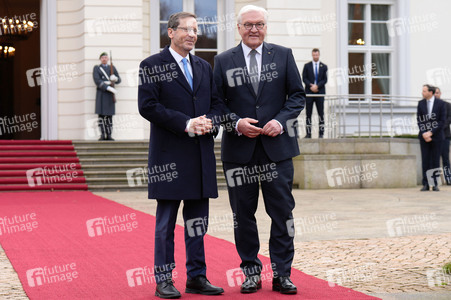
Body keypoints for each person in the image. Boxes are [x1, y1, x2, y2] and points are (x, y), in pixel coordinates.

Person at [213, 5, 305, 295]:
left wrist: (281, 121)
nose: (255, 29)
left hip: (277, 149)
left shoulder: (283, 54)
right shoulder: (223, 60)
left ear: (266, 27)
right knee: (243, 215)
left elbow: (298, 96)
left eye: (260, 24)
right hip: (239, 152)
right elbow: (216, 103)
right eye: (249, 24)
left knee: (282, 214)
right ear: (238, 28)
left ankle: (282, 275)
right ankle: (250, 272)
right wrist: (236, 122)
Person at [138, 11, 224, 299]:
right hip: (169, 159)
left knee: (197, 223)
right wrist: (187, 123)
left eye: (195, 30)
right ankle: (164, 280)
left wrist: (211, 122)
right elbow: (148, 106)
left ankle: (197, 277)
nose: (192, 34)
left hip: (200, 155)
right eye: (186, 29)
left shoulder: (203, 66)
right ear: (170, 33)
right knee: (166, 224)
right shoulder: (151, 65)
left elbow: (215, 104)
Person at [417, 84, 447, 191]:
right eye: (422, 91)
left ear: (431, 92)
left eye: (424, 91)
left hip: (437, 137)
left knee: (435, 160)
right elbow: (419, 120)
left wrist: (431, 132)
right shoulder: (420, 103)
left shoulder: (441, 104)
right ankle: (425, 184)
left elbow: (442, 121)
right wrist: (424, 133)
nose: (422, 93)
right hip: (424, 137)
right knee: (425, 160)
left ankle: (434, 184)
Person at [93, 52, 121, 141]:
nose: (104, 59)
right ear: (100, 59)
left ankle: (109, 135)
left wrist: (115, 78)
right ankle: (102, 135)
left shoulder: (112, 68)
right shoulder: (97, 68)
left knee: (109, 117)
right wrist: (108, 87)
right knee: (101, 116)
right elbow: (97, 80)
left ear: (108, 59)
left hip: (109, 96)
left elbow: (119, 80)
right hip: (102, 94)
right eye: (102, 57)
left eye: (105, 57)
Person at [302, 48, 328, 138]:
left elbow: (325, 79)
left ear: (319, 55)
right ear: (312, 55)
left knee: (321, 114)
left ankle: (321, 134)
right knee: (308, 114)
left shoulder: (324, 66)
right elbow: (304, 78)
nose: (315, 56)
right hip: (309, 93)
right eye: (314, 55)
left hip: (320, 93)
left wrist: (317, 86)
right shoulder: (307, 66)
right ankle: (308, 134)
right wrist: (311, 86)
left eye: (317, 55)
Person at [435, 87, 451, 185]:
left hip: (445, 135)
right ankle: (435, 180)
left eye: (437, 93)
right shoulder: (430, 106)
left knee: (445, 159)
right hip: (434, 136)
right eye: (434, 93)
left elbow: (449, 119)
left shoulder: (447, 105)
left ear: (440, 93)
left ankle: (448, 179)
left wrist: (439, 128)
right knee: (434, 159)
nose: (436, 94)